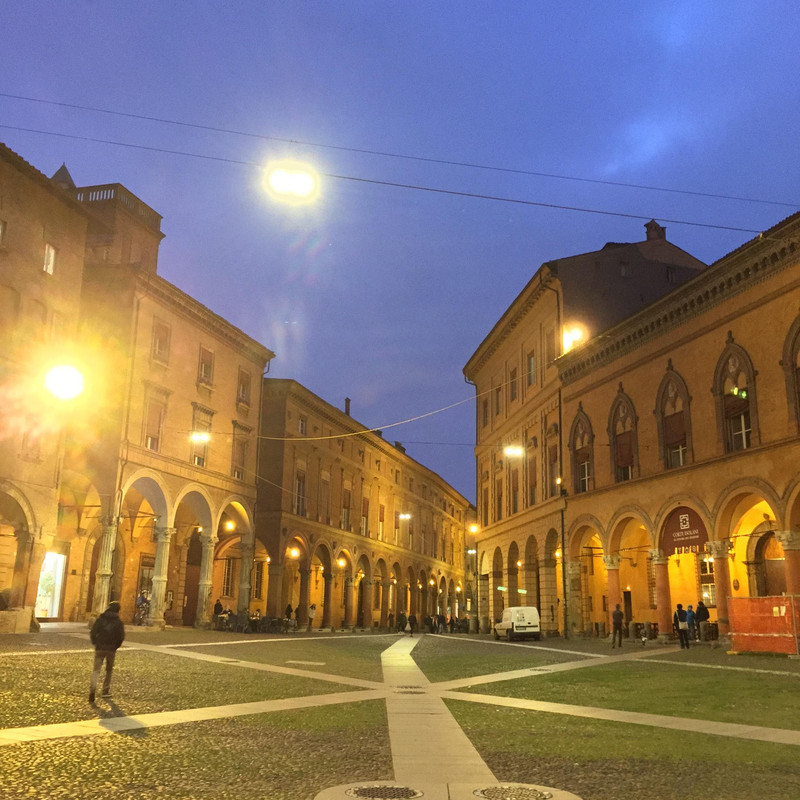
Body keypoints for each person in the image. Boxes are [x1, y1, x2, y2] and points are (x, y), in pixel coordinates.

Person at [89, 601, 125, 704]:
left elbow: (93, 632)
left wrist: (96, 643)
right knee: (109, 671)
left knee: (96, 670)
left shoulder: (100, 619)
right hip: (111, 650)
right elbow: (121, 637)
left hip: (100, 648)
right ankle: (105, 690)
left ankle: (92, 690)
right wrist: (115, 646)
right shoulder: (118, 622)